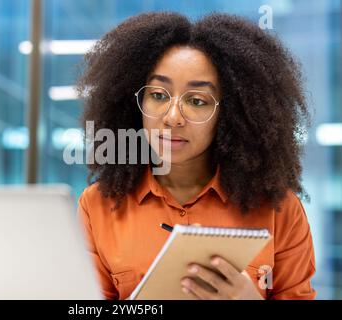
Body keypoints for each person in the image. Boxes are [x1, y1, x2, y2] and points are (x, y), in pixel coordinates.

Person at [76, 12, 316, 300]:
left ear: (231, 114)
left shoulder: (280, 209)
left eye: (197, 101)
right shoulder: (97, 206)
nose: (173, 117)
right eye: (159, 95)